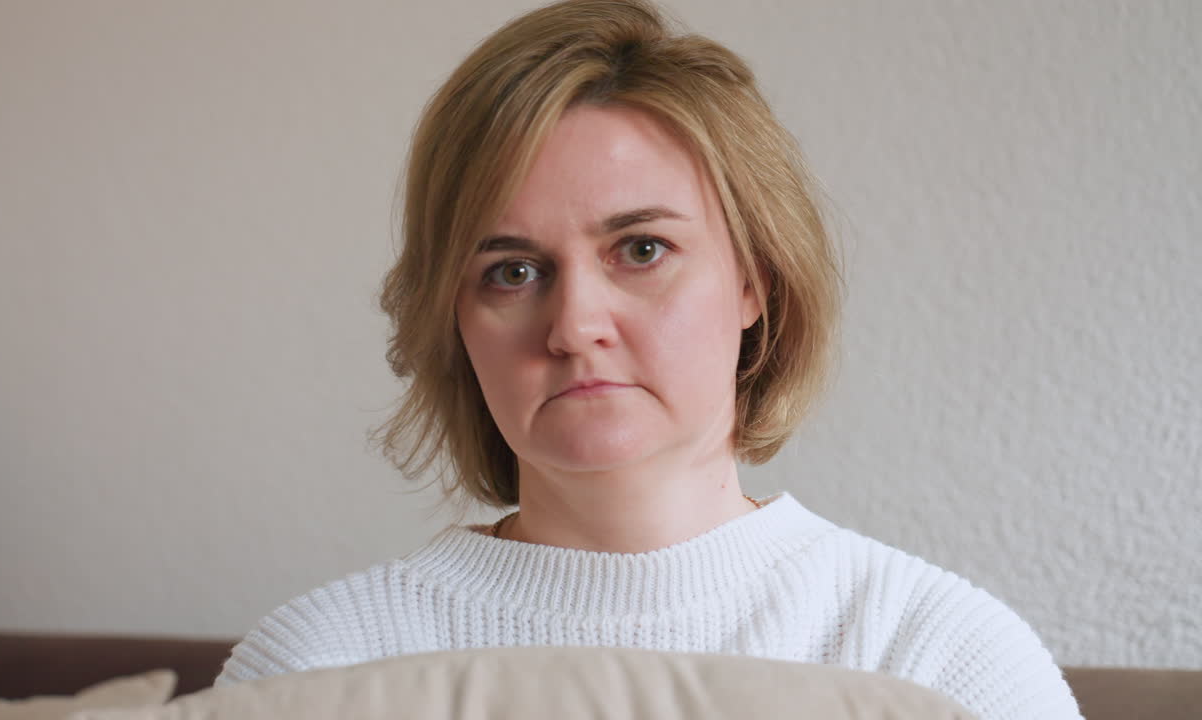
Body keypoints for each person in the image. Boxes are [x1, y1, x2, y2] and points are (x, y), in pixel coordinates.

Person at [216, 1, 1082, 718]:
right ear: (455, 319)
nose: (574, 325)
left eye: (640, 251)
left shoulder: (940, 658)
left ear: (756, 281)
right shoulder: (316, 668)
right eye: (512, 272)